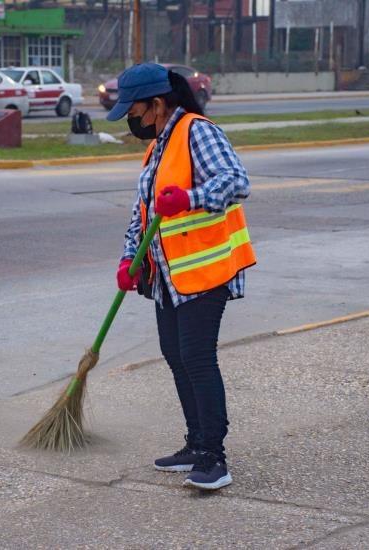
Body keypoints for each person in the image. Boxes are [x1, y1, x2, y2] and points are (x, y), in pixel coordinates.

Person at [109, 63, 256, 491]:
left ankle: (214, 457)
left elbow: (236, 181)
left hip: (204, 271)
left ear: (157, 104)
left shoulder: (196, 131)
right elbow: (144, 212)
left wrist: (190, 197)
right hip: (166, 277)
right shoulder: (159, 145)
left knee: (197, 358)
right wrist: (128, 260)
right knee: (176, 357)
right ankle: (195, 443)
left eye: (134, 110)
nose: (132, 120)